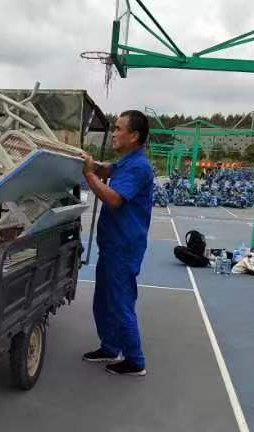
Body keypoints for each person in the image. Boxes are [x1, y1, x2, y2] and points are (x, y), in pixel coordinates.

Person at [80, 110, 154, 376]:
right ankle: (110, 347)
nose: (113, 133)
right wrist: (90, 164)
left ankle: (135, 360)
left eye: (118, 129)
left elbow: (113, 199)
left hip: (124, 247)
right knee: (104, 300)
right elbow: (107, 168)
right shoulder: (127, 162)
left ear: (133, 136)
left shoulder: (139, 167)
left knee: (120, 302)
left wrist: (89, 176)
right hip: (112, 245)